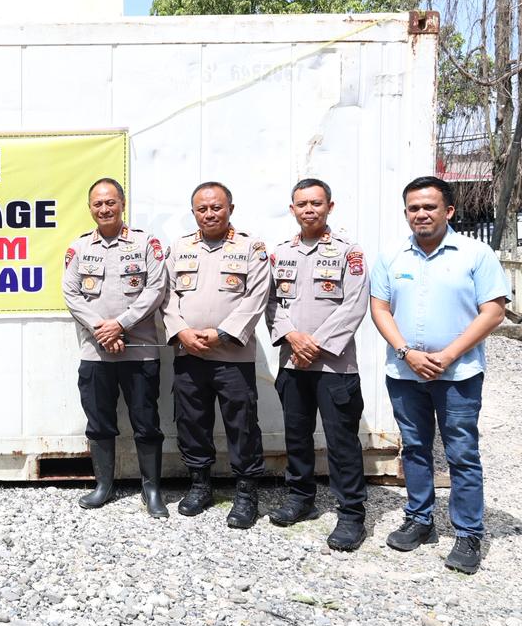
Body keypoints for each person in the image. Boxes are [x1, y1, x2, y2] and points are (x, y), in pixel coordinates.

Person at [370, 175, 508, 575]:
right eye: (413, 208)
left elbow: (493, 312)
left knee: (461, 453)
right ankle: (420, 519)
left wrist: (447, 355)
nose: (421, 214)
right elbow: (380, 308)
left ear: (448, 210)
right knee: (414, 448)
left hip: (459, 375)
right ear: (406, 213)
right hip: (405, 372)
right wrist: (406, 352)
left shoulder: (476, 254)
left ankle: (468, 533)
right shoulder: (392, 257)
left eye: (429, 207)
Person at [265, 178, 370, 551]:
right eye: (302, 204)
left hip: (335, 368)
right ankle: (300, 498)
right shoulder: (280, 253)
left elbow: (355, 304)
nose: (309, 209)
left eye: (316, 203)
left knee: (342, 442)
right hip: (293, 364)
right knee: (296, 435)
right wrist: (293, 338)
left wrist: (316, 344)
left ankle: (351, 515)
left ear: (330, 206)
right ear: (292, 209)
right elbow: (271, 303)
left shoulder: (348, 252)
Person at [162, 181, 271, 528]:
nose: (209, 214)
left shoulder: (251, 248)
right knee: (191, 421)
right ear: (194, 212)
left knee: (242, 425)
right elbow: (166, 297)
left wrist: (221, 334)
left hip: (232, 356)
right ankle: (200, 486)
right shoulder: (179, 248)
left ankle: (246, 494)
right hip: (189, 353)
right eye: (202, 209)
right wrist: (181, 331)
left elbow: (256, 297)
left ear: (230, 209)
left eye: (216, 207)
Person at [62, 178, 169, 517]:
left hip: (140, 351)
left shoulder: (145, 243)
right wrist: (103, 330)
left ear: (122, 204)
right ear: (90, 208)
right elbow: (71, 294)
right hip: (96, 352)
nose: (104, 208)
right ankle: (103, 485)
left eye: (110, 202)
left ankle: (152, 489)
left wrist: (120, 325)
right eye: (98, 203)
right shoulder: (79, 248)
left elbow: (156, 289)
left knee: (146, 422)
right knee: (99, 422)